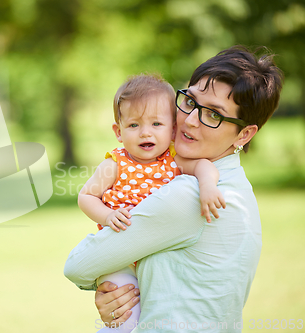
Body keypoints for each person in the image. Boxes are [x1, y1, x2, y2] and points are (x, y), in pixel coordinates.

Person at [64, 45, 283, 332]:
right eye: (190, 101)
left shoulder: (189, 195)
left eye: (214, 115)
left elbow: (77, 265)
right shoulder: (239, 187)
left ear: (244, 134)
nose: (190, 120)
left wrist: (103, 283)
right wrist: (117, 293)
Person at [78, 74, 226, 332]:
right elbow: (86, 196)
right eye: (134, 125)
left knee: (158, 316)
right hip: (121, 258)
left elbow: (203, 166)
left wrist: (208, 187)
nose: (145, 132)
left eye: (156, 123)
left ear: (172, 129)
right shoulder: (115, 163)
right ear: (118, 131)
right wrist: (106, 216)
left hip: (158, 258)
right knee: (124, 318)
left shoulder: (174, 160)